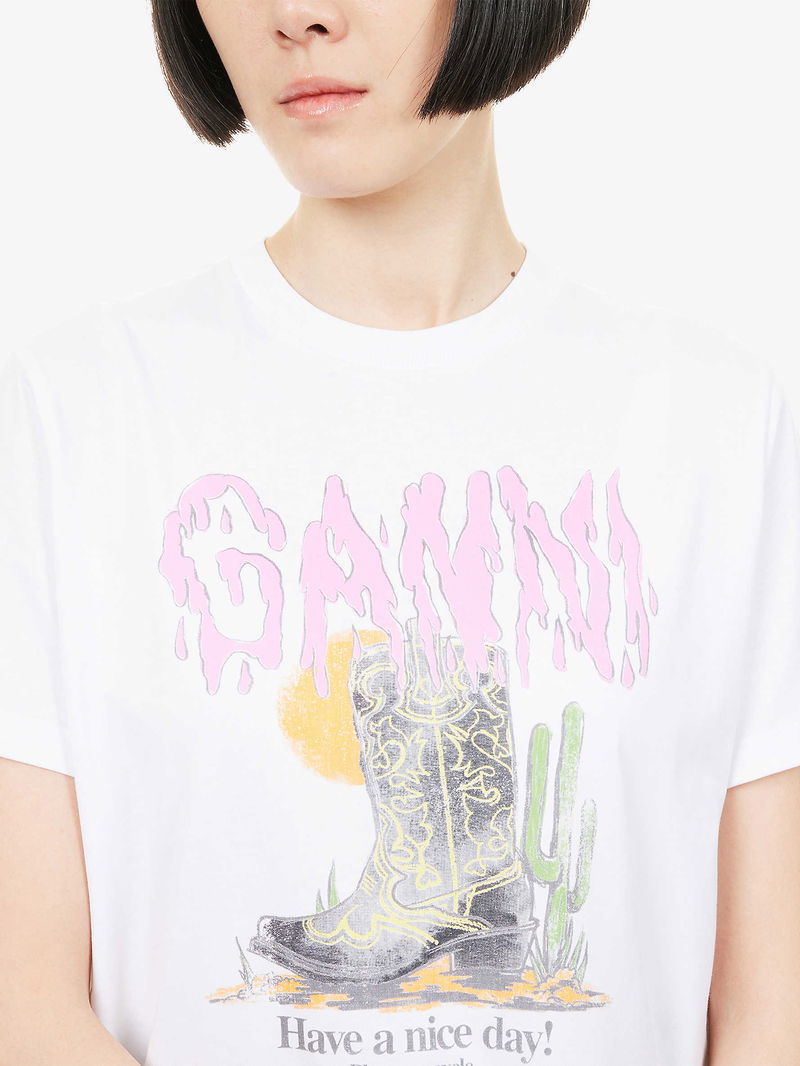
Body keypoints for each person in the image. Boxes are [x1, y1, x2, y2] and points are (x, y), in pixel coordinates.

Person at [2, 1, 799, 1063]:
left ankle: (470, 907)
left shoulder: (713, 420)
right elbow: (23, 1001)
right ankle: (438, 901)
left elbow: (765, 1018)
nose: (298, 15)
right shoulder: (72, 410)